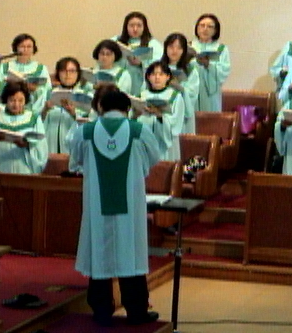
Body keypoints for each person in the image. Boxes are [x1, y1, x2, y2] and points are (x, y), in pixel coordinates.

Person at [68, 89, 161, 327]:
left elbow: (77, 159)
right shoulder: (139, 131)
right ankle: (136, 311)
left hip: (97, 206)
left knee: (99, 254)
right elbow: (154, 158)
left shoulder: (85, 132)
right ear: (127, 109)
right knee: (131, 254)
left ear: (100, 108)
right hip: (130, 206)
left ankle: (101, 310)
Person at [0, 81, 48, 174]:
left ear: (26, 100)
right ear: (6, 100)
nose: (16, 104)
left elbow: (41, 146)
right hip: (1, 167)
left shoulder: (34, 119)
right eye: (12, 100)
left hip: (25, 169)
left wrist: (27, 145)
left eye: (20, 100)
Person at [132, 61, 185, 161]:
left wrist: (160, 116)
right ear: (148, 77)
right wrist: (135, 115)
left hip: (166, 146)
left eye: (161, 74)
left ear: (168, 77)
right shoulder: (141, 96)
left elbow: (176, 123)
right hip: (145, 143)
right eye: (153, 74)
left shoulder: (175, 97)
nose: (157, 77)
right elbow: (132, 119)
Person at [42, 56, 95, 154]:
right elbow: (37, 121)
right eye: (63, 71)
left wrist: (73, 114)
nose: (67, 74)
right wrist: (45, 110)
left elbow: (91, 122)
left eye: (72, 71)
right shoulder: (49, 93)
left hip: (74, 144)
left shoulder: (86, 96)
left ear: (78, 74)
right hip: (50, 142)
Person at [111, 11, 164, 97]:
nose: (135, 29)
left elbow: (159, 65)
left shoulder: (153, 44)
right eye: (131, 26)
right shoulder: (116, 41)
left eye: (139, 26)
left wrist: (141, 63)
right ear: (126, 27)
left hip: (141, 84)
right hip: (120, 83)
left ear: (144, 27)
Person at [0, 33, 52, 115]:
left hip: (33, 109)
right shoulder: (4, 67)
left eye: (29, 47)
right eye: (22, 46)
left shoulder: (41, 69)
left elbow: (47, 90)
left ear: (33, 49)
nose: (25, 50)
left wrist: (35, 90)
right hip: (7, 109)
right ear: (16, 48)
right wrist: (9, 85)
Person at [158, 32, 200, 134]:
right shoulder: (158, 68)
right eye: (171, 47)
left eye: (179, 48)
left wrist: (180, 88)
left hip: (182, 115)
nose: (174, 51)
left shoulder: (190, 70)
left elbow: (192, 93)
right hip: (161, 112)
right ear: (165, 48)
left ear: (184, 50)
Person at [189, 13, 231, 112]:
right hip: (191, 92)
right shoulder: (189, 47)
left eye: (210, 26)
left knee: (210, 118)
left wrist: (208, 65)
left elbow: (224, 71)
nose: (205, 29)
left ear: (215, 30)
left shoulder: (221, 49)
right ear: (197, 28)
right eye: (202, 25)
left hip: (210, 95)